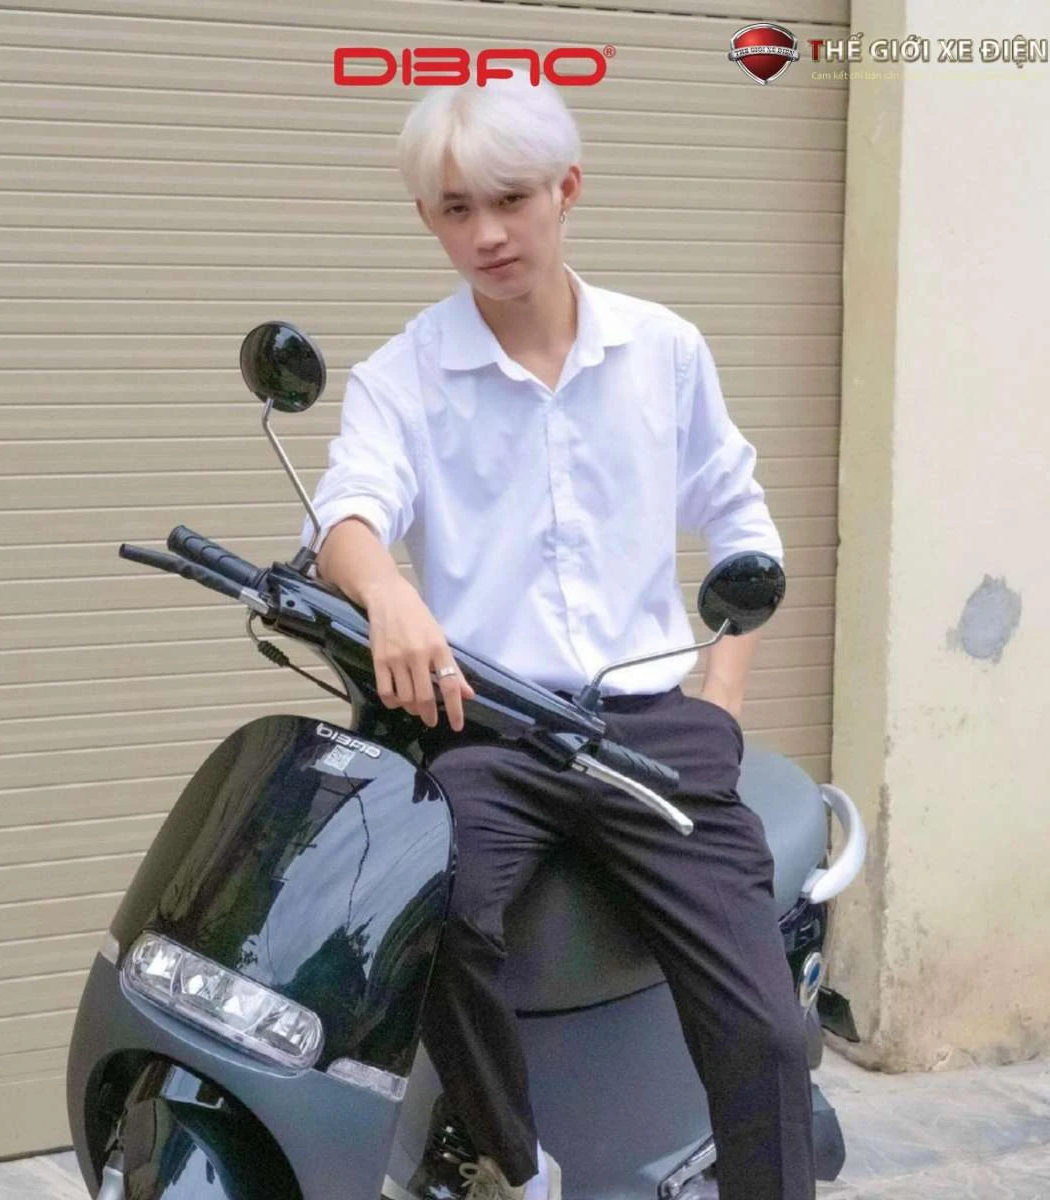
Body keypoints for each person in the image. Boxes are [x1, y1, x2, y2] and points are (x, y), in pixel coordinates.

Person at [300, 69, 811, 1200]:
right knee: (416, 914)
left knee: (765, 1030)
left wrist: (722, 696)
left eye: (511, 200)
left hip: (653, 728)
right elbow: (346, 514)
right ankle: (516, 1167)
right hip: (491, 731)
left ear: (567, 189)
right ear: (427, 218)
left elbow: (743, 525)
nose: (487, 234)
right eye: (456, 209)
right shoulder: (402, 377)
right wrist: (387, 591)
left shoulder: (661, 349)